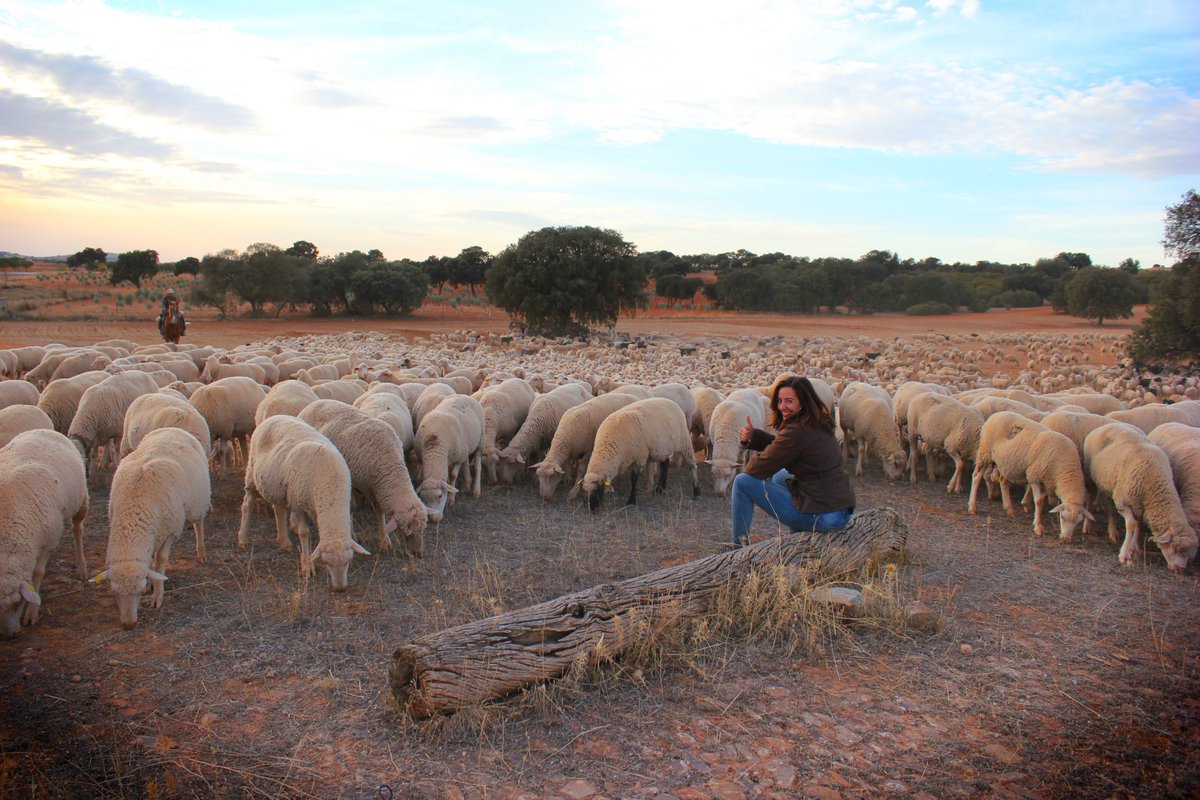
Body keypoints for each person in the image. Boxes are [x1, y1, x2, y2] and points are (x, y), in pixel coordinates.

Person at [729, 375, 855, 547]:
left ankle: (737, 547)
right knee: (781, 476)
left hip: (824, 517)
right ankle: (798, 535)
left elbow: (756, 469)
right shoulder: (816, 422)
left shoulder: (797, 431)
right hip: (840, 510)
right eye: (780, 401)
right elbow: (786, 446)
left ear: (803, 402)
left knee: (742, 482)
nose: (782, 407)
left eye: (789, 401)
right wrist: (754, 437)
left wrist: (763, 456)